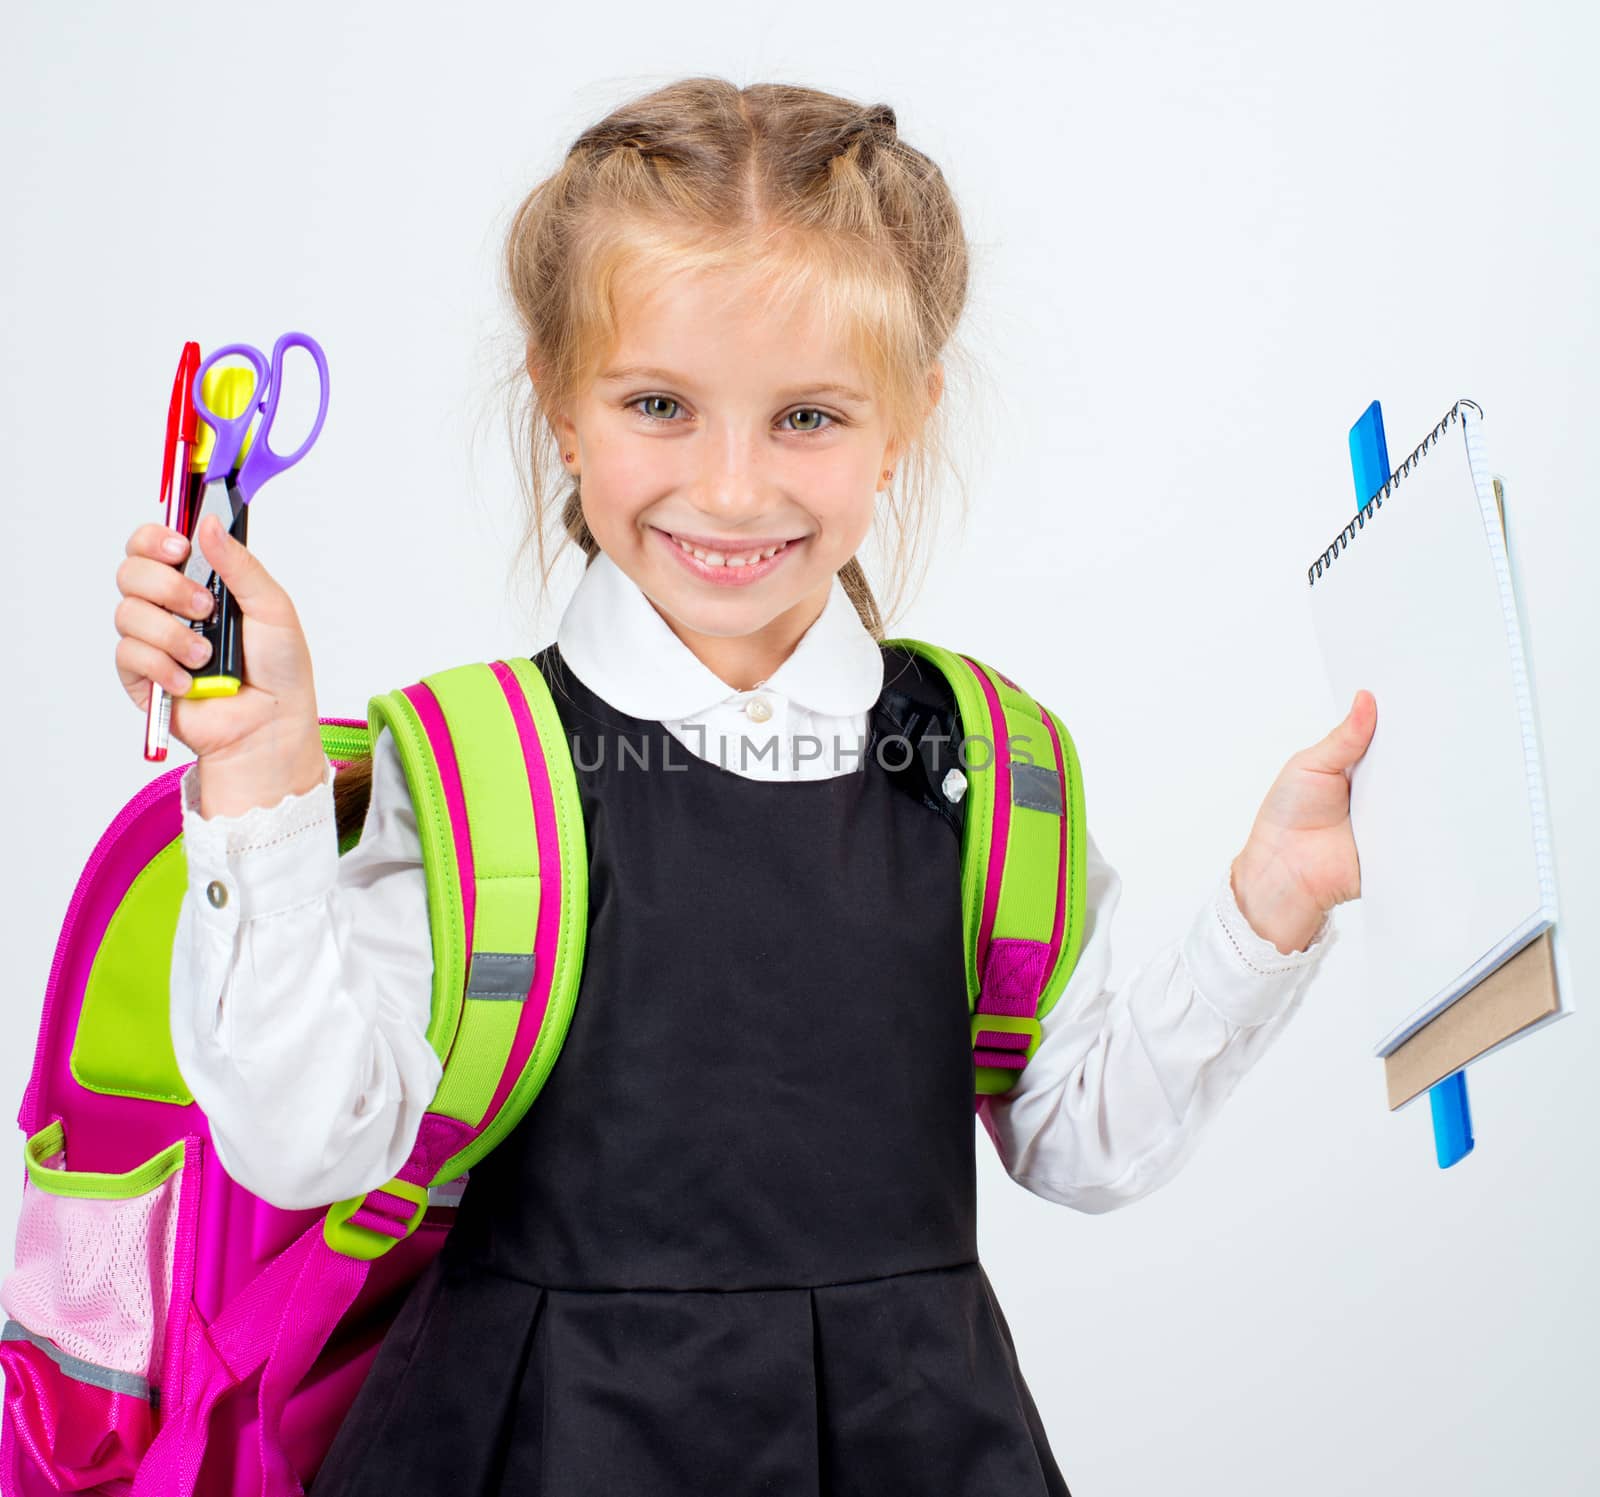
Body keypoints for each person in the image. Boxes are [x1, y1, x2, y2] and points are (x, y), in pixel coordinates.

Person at [110, 76, 1374, 1497]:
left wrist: (1266, 913)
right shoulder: (481, 773)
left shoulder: (987, 767)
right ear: (560, 407)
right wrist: (261, 771)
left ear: (903, 423)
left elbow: (1078, 1140)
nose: (728, 487)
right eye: (660, 402)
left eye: (808, 417)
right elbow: (302, 1141)